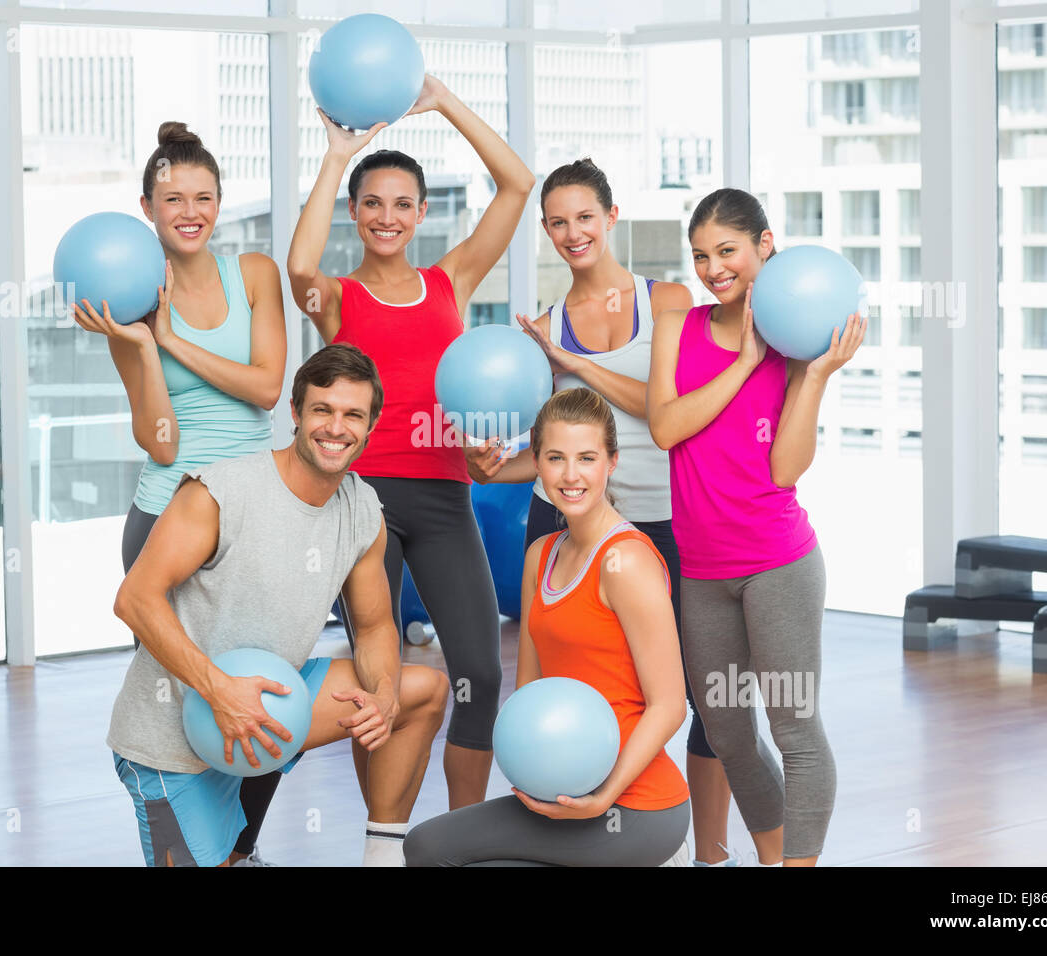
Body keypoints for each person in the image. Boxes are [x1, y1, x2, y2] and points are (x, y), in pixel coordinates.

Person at [467, 158, 739, 865]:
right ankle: (572, 821)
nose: (571, 232)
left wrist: (575, 363)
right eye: (556, 221)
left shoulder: (669, 302)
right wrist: (499, 464)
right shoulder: (547, 327)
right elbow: (562, 453)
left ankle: (709, 853)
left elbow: (663, 412)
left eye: (584, 216)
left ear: (612, 217)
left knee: (706, 695)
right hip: (566, 524)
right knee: (569, 686)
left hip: (671, 519)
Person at [286, 74, 535, 809]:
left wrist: (445, 101)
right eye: (373, 204)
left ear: (423, 212)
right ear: (355, 214)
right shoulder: (338, 298)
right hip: (362, 507)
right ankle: (384, 834)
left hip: (446, 498)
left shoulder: (449, 281)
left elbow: (517, 185)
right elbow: (299, 268)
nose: (388, 217)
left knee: (480, 676)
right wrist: (338, 155)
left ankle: (463, 830)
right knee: (376, 677)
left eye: (402, 204)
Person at [107, 343, 449, 867]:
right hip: (172, 737)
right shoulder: (221, 491)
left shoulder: (361, 508)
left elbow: (376, 624)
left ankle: (383, 857)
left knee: (419, 691)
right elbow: (134, 599)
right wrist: (219, 691)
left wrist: (382, 695)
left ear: (371, 424)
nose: (336, 428)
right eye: (322, 410)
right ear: (295, 412)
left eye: (353, 414)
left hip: (266, 704)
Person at [73, 121, 287, 865]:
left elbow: (266, 391)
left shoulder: (255, 273)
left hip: (256, 513)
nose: (188, 210)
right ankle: (204, 850)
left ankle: (237, 844)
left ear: (219, 203)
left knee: (268, 685)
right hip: (170, 512)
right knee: (182, 707)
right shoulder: (124, 304)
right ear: (147, 208)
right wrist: (139, 343)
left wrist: (170, 340)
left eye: (202, 196)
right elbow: (162, 441)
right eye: (172, 199)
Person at [647, 188, 865, 867]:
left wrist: (816, 377)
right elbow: (665, 427)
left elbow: (784, 469)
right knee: (728, 732)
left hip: (778, 563)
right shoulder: (678, 328)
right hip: (703, 570)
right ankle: (773, 858)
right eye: (701, 256)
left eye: (728, 252)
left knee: (793, 727)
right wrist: (742, 362)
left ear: (765, 246)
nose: (713, 268)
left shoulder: (798, 341)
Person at [404, 388, 690, 866]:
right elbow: (529, 690)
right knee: (427, 845)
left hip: (635, 805)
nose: (571, 475)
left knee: (440, 852)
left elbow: (669, 706)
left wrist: (602, 797)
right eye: (555, 458)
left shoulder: (626, 562)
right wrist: (535, 773)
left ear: (612, 462)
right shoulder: (542, 555)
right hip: (559, 792)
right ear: (535, 461)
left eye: (587, 458)